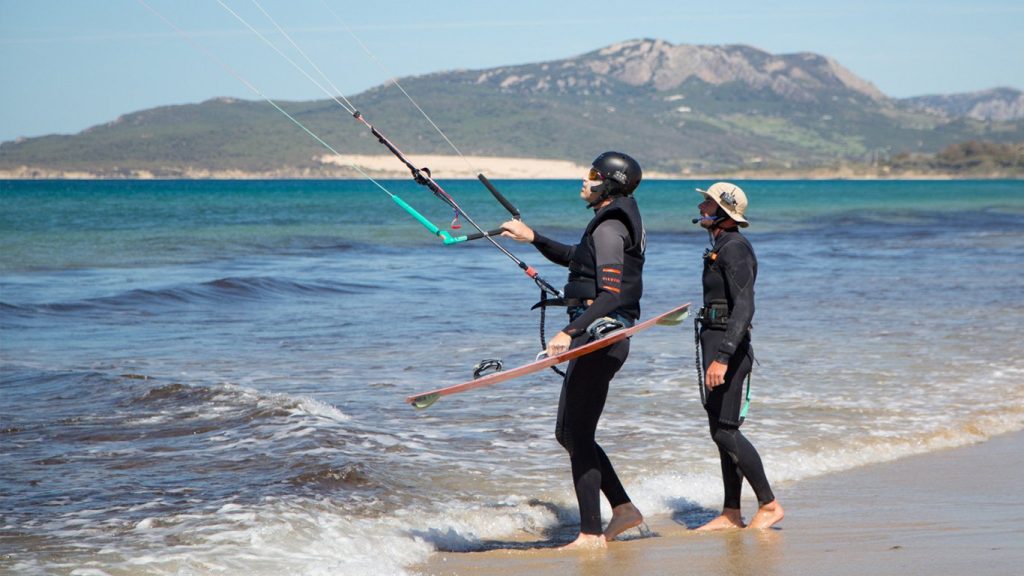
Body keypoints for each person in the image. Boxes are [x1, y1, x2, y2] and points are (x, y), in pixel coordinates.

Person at [501, 152, 646, 549]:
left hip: (600, 338)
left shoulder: (611, 227)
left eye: (593, 175)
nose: (584, 180)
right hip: (593, 337)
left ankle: (590, 533)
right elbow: (576, 260)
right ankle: (623, 509)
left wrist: (569, 331)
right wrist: (534, 239)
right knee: (569, 433)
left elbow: (611, 293)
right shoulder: (607, 221)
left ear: (610, 184)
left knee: (577, 434)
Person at [693, 182, 784, 530]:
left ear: (725, 213)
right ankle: (731, 513)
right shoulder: (721, 246)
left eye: (708, 203)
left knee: (726, 431)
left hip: (727, 350)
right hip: (716, 342)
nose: (702, 208)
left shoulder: (736, 248)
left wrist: (724, 356)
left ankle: (770, 504)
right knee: (719, 431)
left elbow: (745, 306)